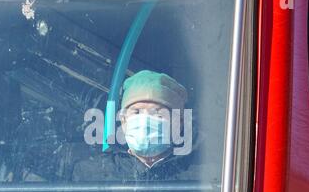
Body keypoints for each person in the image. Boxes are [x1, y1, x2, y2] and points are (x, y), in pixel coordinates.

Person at [71, 70, 207, 182]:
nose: (144, 120)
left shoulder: (199, 177)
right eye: (136, 112)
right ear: (123, 121)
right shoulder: (91, 174)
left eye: (158, 114)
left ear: (179, 123)